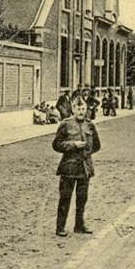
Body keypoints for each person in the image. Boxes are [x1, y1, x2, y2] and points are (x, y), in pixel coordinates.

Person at [53, 97, 101, 236]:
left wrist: (86, 153)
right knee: (65, 198)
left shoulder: (90, 125)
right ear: (73, 109)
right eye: (78, 109)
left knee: (82, 198)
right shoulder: (65, 124)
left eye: (83, 109)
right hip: (68, 168)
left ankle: (79, 225)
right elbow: (56, 144)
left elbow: (97, 145)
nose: (81, 112)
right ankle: (60, 227)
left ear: (86, 110)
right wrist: (72, 145)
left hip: (85, 168)